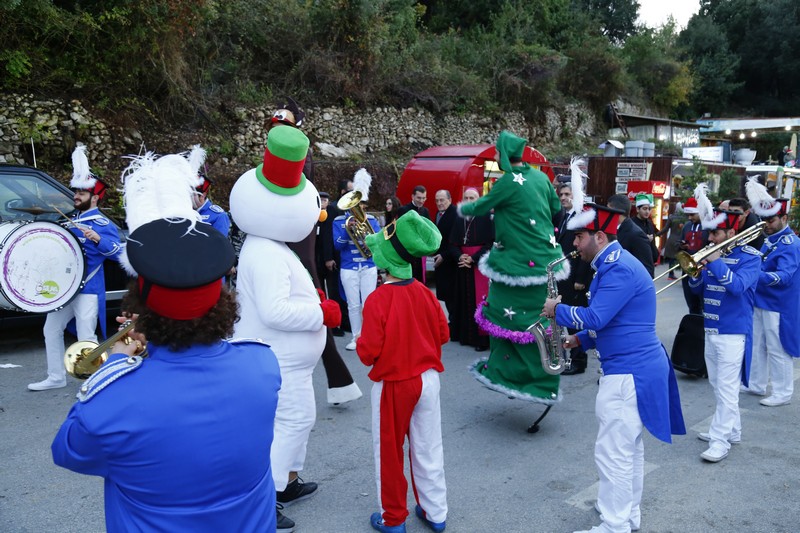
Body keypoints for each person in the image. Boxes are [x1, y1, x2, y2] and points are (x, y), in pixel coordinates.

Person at [51, 149, 281, 532]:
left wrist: (121, 362)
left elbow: (69, 452)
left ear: (140, 307)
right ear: (222, 302)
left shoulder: (111, 397)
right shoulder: (262, 364)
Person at [542, 202, 685, 533]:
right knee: (628, 452)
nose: (574, 244)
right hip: (633, 369)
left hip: (628, 373)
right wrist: (581, 341)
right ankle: (626, 516)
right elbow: (616, 322)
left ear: (600, 236)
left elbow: (597, 317)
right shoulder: (611, 264)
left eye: (579, 237)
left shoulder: (617, 268)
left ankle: (614, 525)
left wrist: (557, 308)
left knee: (614, 455)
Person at [230, 125, 343, 531]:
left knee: (300, 419)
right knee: (292, 422)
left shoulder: (270, 247)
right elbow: (276, 311)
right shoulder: (266, 252)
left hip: (287, 359)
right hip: (276, 357)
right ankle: (269, 496)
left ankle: (289, 480)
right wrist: (321, 314)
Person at [357, 209, 449, 533]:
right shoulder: (425, 292)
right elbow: (443, 335)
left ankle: (393, 518)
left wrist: (360, 341)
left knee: (390, 453)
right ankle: (436, 512)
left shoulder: (378, 299)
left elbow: (368, 354)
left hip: (395, 382)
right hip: (428, 379)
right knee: (428, 445)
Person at [459, 131, 567, 406]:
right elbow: (556, 209)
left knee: (504, 316)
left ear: (506, 155)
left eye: (497, 152)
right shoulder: (542, 178)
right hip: (545, 259)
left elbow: (483, 205)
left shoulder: (508, 181)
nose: (495, 156)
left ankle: (509, 375)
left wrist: (460, 209)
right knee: (538, 320)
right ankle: (540, 379)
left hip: (515, 263)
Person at [270, 97, 362, 406]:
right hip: (280, 230)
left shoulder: (300, 153)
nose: (277, 132)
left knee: (310, 296)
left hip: (295, 233)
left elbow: (293, 188)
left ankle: (336, 379)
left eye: (284, 125)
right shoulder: (275, 152)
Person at [28, 145, 122, 391]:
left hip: (88, 287)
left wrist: (98, 239)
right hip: (65, 288)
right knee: (51, 328)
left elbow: (118, 253)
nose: (76, 196)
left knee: (86, 336)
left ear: (95, 197)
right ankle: (56, 377)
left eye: (82, 193)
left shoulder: (101, 223)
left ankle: (95, 381)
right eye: (76, 192)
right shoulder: (70, 222)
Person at [688, 185, 761, 462]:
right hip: (712, 329)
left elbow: (738, 287)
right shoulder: (710, 254)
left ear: (731, 232)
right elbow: (698, 290)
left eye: (715, 233)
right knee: (719, 385)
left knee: (728, 388)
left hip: (733, 332)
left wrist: (716, 262)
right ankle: (733, 429)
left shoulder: (750, 258)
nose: (710, 237)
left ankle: (720, 440)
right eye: (709, 232)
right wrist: (695, 273)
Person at [744, 183, 800, 406]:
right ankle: (756, 384)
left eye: (771, 220)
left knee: (778, 348)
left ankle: (783, 392)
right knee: (757, 344)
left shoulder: (790, 243)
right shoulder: (771, 239)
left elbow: (784, 276)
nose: (766, 224)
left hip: (779, 304)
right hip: (762, 300)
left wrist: (755, 275)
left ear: (784, 219)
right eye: (764, 219)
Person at [333, 169, 381, 351]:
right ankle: (356, 336)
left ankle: (369, 337)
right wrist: (348, 230)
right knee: (353, 304)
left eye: (361, 204)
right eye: (356, 204)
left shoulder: (371, 220)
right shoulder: (339, 221)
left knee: (368, 304)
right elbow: (337, 245)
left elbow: (377, 242)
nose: (359, 207)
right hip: (349, 267)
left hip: (368, 265)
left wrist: (366, 236)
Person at [552, 183, 592, 374]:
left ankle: (579, 361)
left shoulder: (580, 217)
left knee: (575, 323)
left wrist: (581, 278)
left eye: (567, 194)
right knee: (566, 320)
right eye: (561, 194)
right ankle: (569, 358)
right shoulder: (564, 216)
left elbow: (584, 249)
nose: (563, 197)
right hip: (564, 276)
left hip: (575, 278)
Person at [448, 188, 493, 351]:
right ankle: (465, 335)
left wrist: (473, 259)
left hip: (479, 265)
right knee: (463, 299)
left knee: (479, 300)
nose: (468, 200)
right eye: (466, 197)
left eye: (472, 198)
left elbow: (490, 244)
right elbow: (452, 243)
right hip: (463, 265)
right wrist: (460, 256)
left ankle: (481, 338)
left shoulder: (486, 216)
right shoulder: (459, 216)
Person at [607, 194, 654, 278]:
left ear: (616, 212)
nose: (606, 213)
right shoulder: (612, 228)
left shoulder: (636, 234)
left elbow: (647, 270)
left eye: (608, 209)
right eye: (645, 208)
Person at [678, 197, 708, 314]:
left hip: (704, 269)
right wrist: (682, 246)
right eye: (688, 215)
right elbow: (680, 243)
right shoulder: (687, 226)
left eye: (692, 215)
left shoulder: (708, 226)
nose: (690, 218)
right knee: (692, 305)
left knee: (704, 304)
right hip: (688, 270)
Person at [432, 189, 458, 320]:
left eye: (442, 200)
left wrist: (444, 255)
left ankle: (454, 325)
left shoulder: (455, 214)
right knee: (447, 298)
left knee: (453, 297)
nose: (439, 203)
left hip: (451, 263)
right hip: (440, 262)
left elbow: (455, 241)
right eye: (437, 200)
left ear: (450, 200)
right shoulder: (438, 214)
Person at [397, 185, 430, 283]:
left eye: (424, 198)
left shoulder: (425, 211)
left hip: (421, 251)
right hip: (408, 251)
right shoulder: (403, 210)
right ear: (412, 197)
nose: (421, 200)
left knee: (420, 281)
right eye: (419, 198)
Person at [629, 193, 662, 264]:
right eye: (644, 209)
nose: (647, 212)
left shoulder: (649, 223)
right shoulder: (631, 224)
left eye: (649, 209)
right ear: (637, 209)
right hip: (637, 262)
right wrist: (644, 239)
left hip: (650, 262)